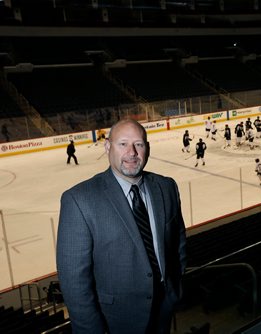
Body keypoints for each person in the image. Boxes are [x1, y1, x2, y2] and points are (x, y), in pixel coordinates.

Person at [57, 119, 186, 334]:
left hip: (163, 312)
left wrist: (174, 291)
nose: (132, 152)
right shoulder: (79, 199)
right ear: (108, 147)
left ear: (147, 148)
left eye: (139, 144)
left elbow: (178, 244)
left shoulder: (166, 187)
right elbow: (74, 283)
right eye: (123, 144)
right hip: (116, 321)